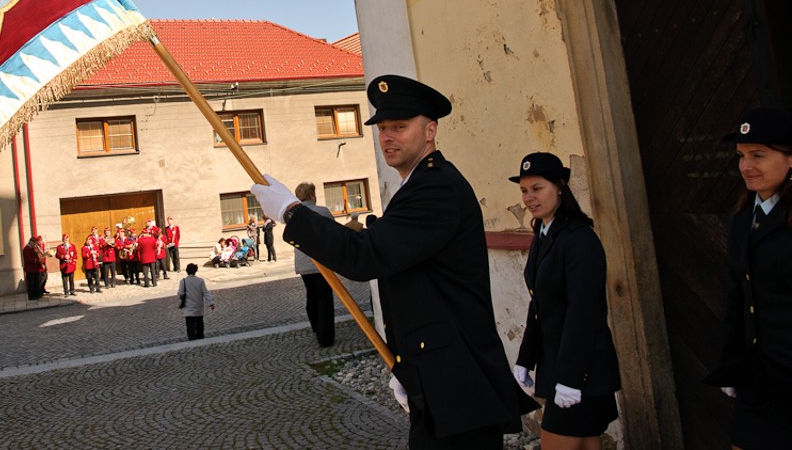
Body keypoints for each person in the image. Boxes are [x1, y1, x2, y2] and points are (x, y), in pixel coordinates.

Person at [252, 74, 537, 449]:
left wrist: (292, 214)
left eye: (400, 126)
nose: (387, 136)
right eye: (382, 127)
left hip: (457, 380)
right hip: (435, 374)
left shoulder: (437, 188)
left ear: (430, 130)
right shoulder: (416, 187)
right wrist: (408, 365)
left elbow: (364, 256)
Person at [509, 152, 621, 449]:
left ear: (559, 187)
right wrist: (526, 357)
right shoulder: (545, 233)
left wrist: (571, 378)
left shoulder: (578, 238)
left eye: (537, 188)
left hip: (581, 372)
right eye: (523, 190)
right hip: (560, 368)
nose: (529, 197)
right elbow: (540, 304)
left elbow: (584, 313)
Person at [705, 108, 792, 450]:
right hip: (758, 372)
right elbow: (737, 297)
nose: (746, 166)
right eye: (741, 156)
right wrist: (731, 362)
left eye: (758, 155)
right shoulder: (741, 216)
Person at [293, 182, 336, 347]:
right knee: (324, 297)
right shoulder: (322, 211)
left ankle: (317, 328)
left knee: (311, 295)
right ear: (312, 195)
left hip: (303, 263)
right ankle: (325, 337)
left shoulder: (294, 214)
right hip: (322, 261)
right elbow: (334, 232)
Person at [177, 263, 215, 340]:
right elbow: (205, 292)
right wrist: (211, 303)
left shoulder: (183, 281)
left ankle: (191, 338)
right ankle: (200, 336)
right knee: (199, 323)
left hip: (188, 306)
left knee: (190, 324)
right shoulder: (200, 281)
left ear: (187, 271)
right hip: (198, 306)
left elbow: (180, 293)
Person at [22, 235, 48, 300]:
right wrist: (37, 260)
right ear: (31, 242)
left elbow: (38, 255)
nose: (35, 244)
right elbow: (28, 259)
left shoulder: (33, 248)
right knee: (31, 283)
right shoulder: (26, 249)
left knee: (37, 282)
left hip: (36, 269)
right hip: (30, 269)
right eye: (34, 243)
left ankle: (37, 294)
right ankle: (31, 296)